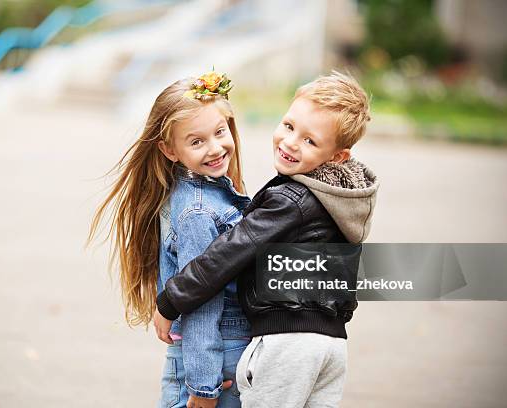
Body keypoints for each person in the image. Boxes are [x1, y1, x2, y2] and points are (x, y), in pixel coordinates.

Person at [154, 71, 380, 407]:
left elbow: (230, 252)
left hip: (288, 343)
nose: (291, 142)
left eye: (310, 140)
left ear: (336, 156)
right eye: (289, 126)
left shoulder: (292, 200)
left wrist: (170, 300)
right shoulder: (338, 198)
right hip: (331, 345)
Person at [87, 71, 251, 408]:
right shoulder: (199, 213)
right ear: (169, 150)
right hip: (218, 353)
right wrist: (205, 390)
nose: (215, 147)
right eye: (196, 141)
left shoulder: (201, 191)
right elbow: (201, 301)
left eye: (220, 132)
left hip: (215, 349)